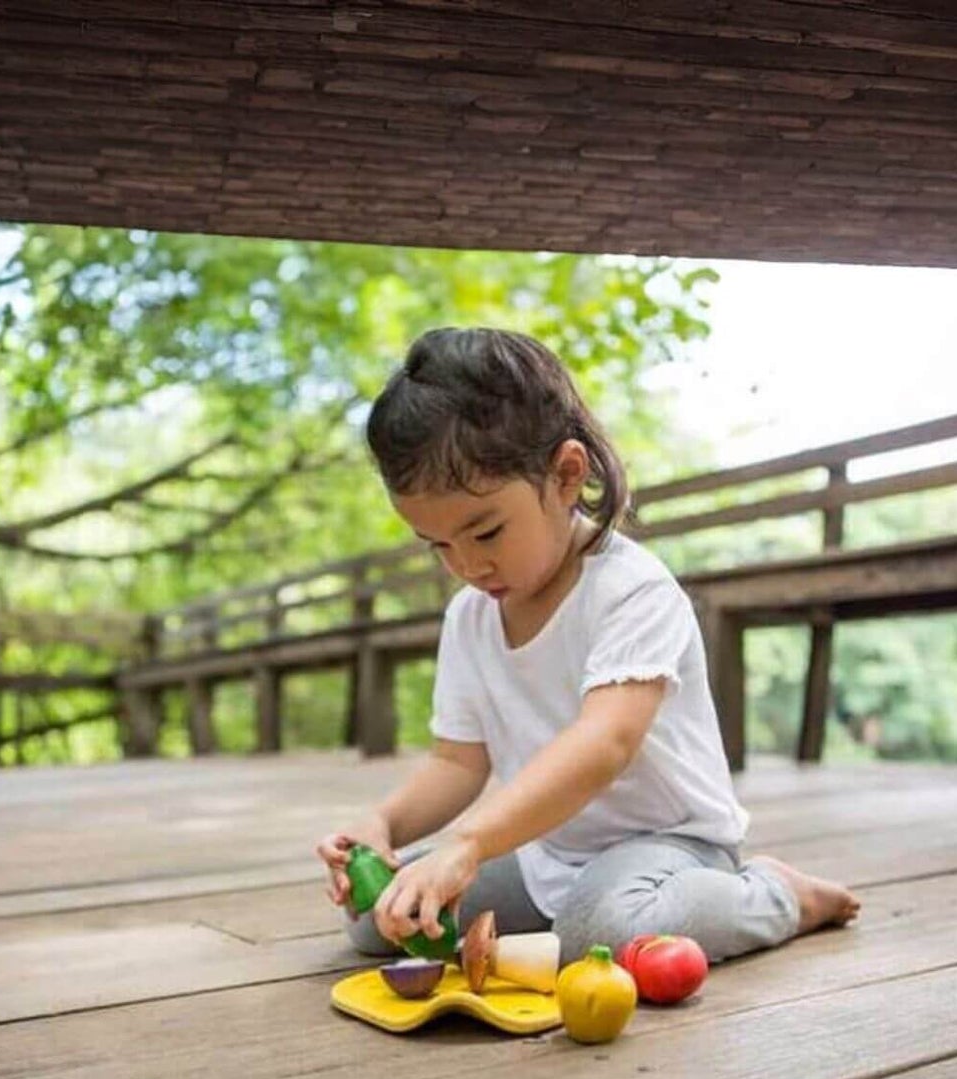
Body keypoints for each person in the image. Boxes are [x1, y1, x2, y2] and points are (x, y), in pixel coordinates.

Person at [316, 327, 858, 965]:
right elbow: (458, 763)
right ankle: (546, 909)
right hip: (544, 847)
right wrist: (385, 826)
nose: (465, 565)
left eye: (486, 532)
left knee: (597, 932)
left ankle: (777, 894)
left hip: (668, 845)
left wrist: (466, 843)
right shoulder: (470, 616)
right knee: (379, 920)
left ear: (566, 475)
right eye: (437, 545)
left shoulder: (631, 590)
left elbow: (605, 745)